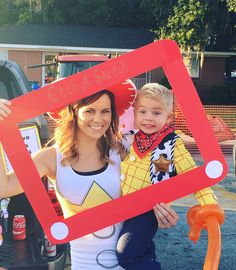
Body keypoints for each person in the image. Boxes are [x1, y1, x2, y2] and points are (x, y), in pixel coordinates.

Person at [0, 80, 178, 270]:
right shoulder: (51, 157)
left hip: (133, 264)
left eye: (105, 111)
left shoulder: (124, 150)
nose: (98, 119)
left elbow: (161, 177)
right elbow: (5, 186)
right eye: (90, 111)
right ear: (74, 113)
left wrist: (164, 209)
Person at [116, 83, 223, 270]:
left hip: (149, 210)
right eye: (143, 112)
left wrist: (209, 205)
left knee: (126, 254)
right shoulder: (130, 139)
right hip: (123, 207)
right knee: (141, 249)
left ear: (168, 117)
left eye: (156, 113)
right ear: (135, 113)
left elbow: (194, 175)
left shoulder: (171, 144)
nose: (148, 118)